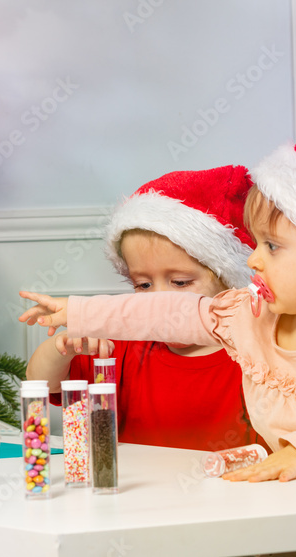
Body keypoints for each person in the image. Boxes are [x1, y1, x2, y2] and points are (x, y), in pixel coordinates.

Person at [20, 139, 296, 483]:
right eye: (257, 243)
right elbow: (170, 313)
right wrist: (77, 312)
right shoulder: (251, 314)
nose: (253, 260)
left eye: (273, 247)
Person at [26, 165, 261, 451]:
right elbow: (40, 381)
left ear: (230, 283)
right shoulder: (121, 344)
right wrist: (60, 349)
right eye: (143, 285)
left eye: (180, 282)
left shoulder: (256, 352)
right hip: (135, 494)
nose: (158, 299)